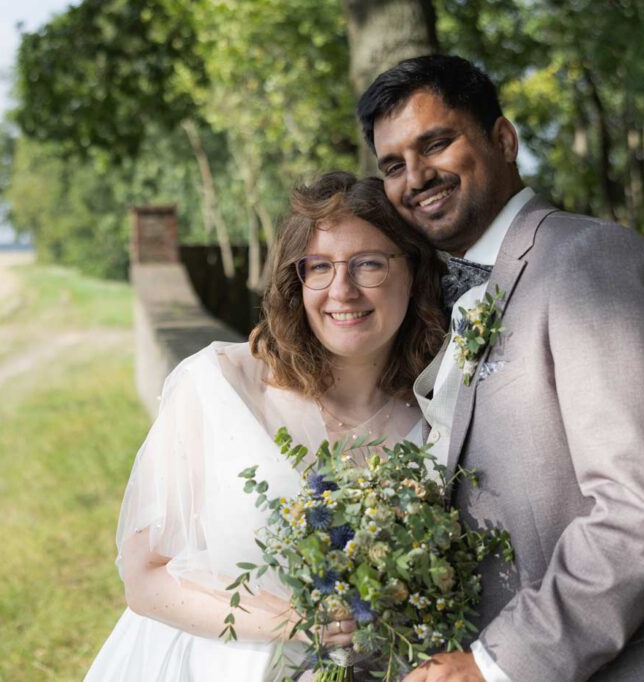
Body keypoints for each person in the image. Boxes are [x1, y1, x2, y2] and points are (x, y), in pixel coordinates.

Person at [356, 55, 644, 681]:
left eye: (435, 144)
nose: (416, 177)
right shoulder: (439, 294)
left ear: (503, 139)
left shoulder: (594, 261)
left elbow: (643, 505)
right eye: (392, 165)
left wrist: (497, 664)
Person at [84, 171, 446, 681]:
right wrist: (303, 623)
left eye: (369, 264)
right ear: (296, 281)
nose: (342, 290)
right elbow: (144, 582)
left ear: (413, 272)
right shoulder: (218, 385)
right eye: (319, 267)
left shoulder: (435, 421)